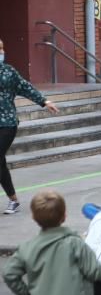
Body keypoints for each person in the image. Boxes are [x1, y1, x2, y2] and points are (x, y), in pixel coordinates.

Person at [0, 38, 58, 215]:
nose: (1, 53)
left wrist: (43, 101)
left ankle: (13, 200)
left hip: (7, 123)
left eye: (1, 49)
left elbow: (25, 87)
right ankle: (13, 200)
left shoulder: (9, 72)